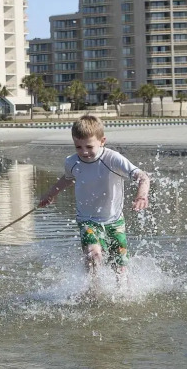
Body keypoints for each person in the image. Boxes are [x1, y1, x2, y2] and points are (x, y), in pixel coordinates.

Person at [38, 114, 150, 276]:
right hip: (87, 220)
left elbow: (143, 177)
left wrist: (141, 196)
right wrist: (51, 194)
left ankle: (123, 289)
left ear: (102, 141)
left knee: (119, 267)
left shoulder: (112, 159)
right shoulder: (72, 162)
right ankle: (93, 288)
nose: (84, 152)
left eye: (89, 147)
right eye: (78, 147)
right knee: (94, 255)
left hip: (114, 221)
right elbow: (68, 178)